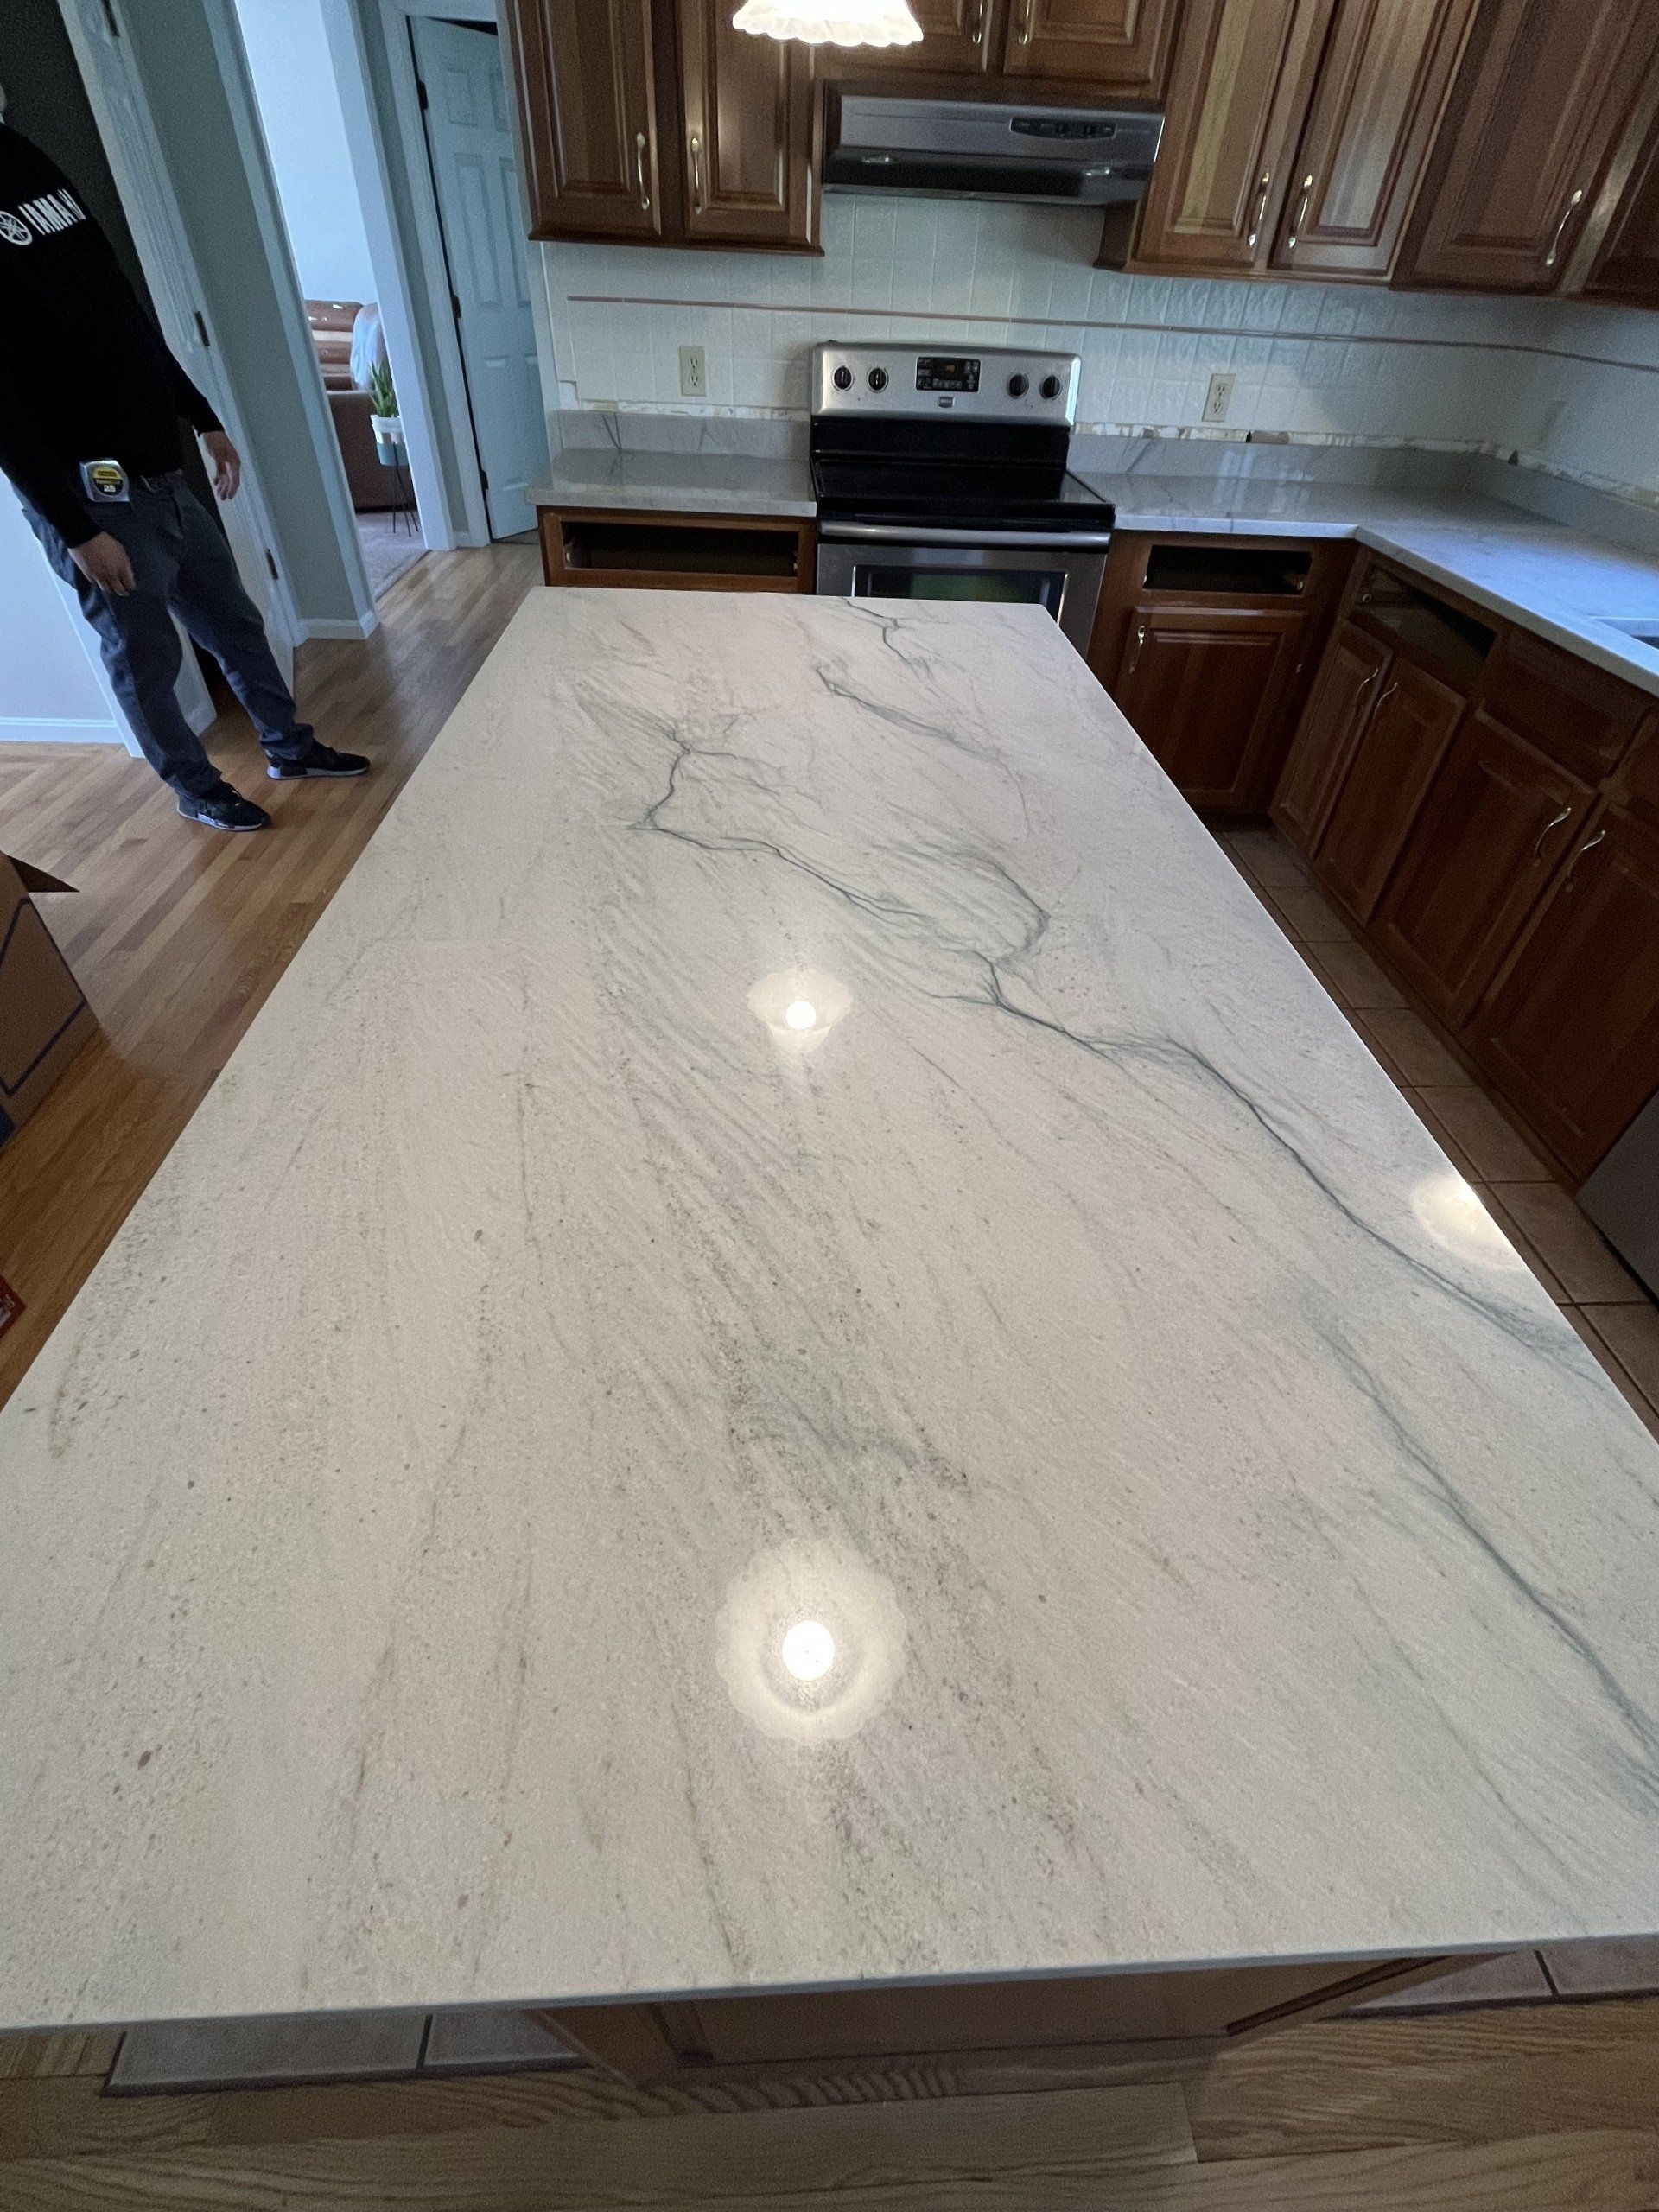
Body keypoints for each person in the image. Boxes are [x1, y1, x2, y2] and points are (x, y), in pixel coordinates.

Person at [0, 120, 367, 832]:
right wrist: (76, 530)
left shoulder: (25, 152)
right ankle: (197, 788)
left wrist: (201, 415)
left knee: (234, 622)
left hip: (159, 470)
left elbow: (122, 311)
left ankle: (288, 747)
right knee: (145, 660)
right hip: (91, 492)